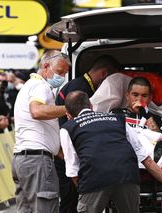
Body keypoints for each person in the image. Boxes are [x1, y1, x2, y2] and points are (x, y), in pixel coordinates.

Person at [60, 90, 162, 213]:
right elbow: (146, 158)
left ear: (68, 115)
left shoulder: (68, 128)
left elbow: (73, 170)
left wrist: (87, 194)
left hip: (93, 177)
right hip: (126, 175)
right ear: (91, 106)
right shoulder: (118, 119)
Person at [55, 55, 120, 213]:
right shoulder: (79, 90)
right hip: (66, 153)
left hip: (69, 151)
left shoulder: (82, 86)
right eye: (111, 81)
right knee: (70, 200)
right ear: (104, 74)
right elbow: (79, 126)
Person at [12, 50, 71, 213]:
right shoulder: (41, 86)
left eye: (65, 73)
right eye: (60, 72)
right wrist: (69, 109)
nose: (62, 77)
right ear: (46, 66)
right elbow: (36, 111)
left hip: (23, 161)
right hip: (37, 162)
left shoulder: (28, 86)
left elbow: (44, 131)